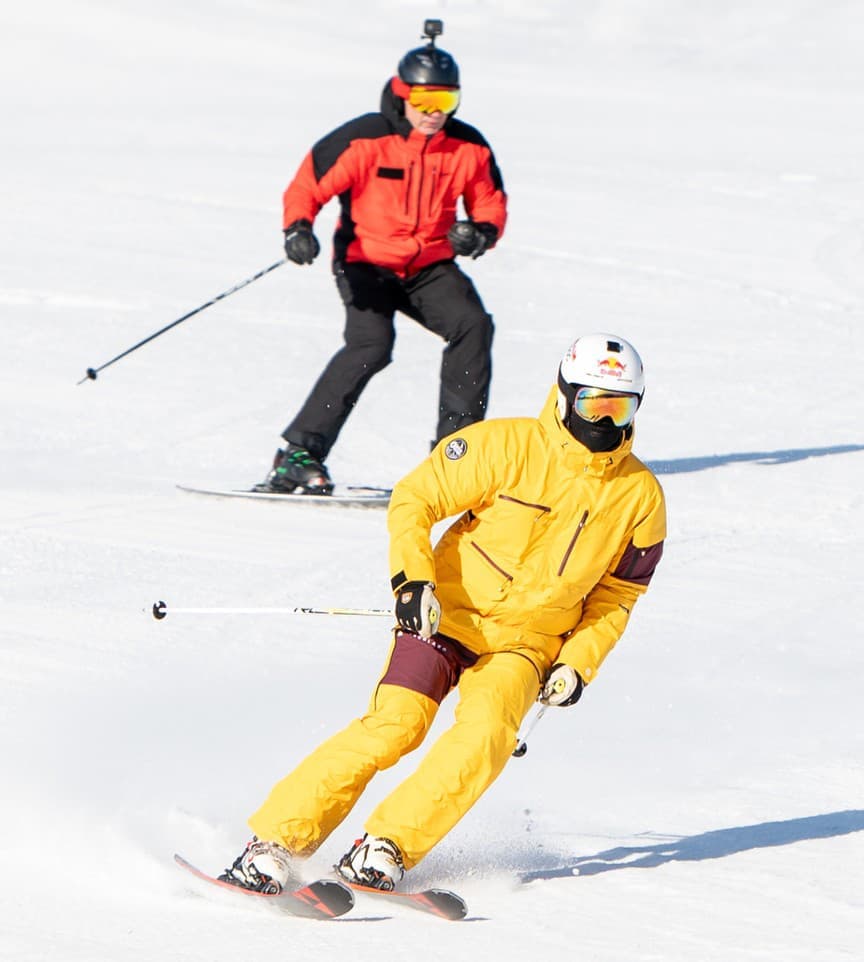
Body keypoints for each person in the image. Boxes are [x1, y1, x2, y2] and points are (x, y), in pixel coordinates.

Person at [221, 333, 667, 892]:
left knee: (485, 739)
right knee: (396, 726)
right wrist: (413, 582)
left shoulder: (640, 496)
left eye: (618, 408)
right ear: (564, 395)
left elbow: (618, 595)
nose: (603, 420)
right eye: (592, 403)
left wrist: (578, 662)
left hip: (526, 645)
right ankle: (274, 843)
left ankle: (386, 847)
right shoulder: (505, 446)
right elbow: (416, 498)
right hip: (443, 619)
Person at [257, 21, 508, 495]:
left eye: (446, 100)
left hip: (428, 266)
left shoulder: (468, 147)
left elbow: (490, 203)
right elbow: (308, 184)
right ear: (401, 93)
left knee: (472, 325)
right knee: (371, 345)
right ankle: (298, 454)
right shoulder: (365, 139)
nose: (435, 113)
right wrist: (298, 229)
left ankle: (455, 457)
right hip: (365, 262)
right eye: (425, 100)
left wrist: (478, 234)